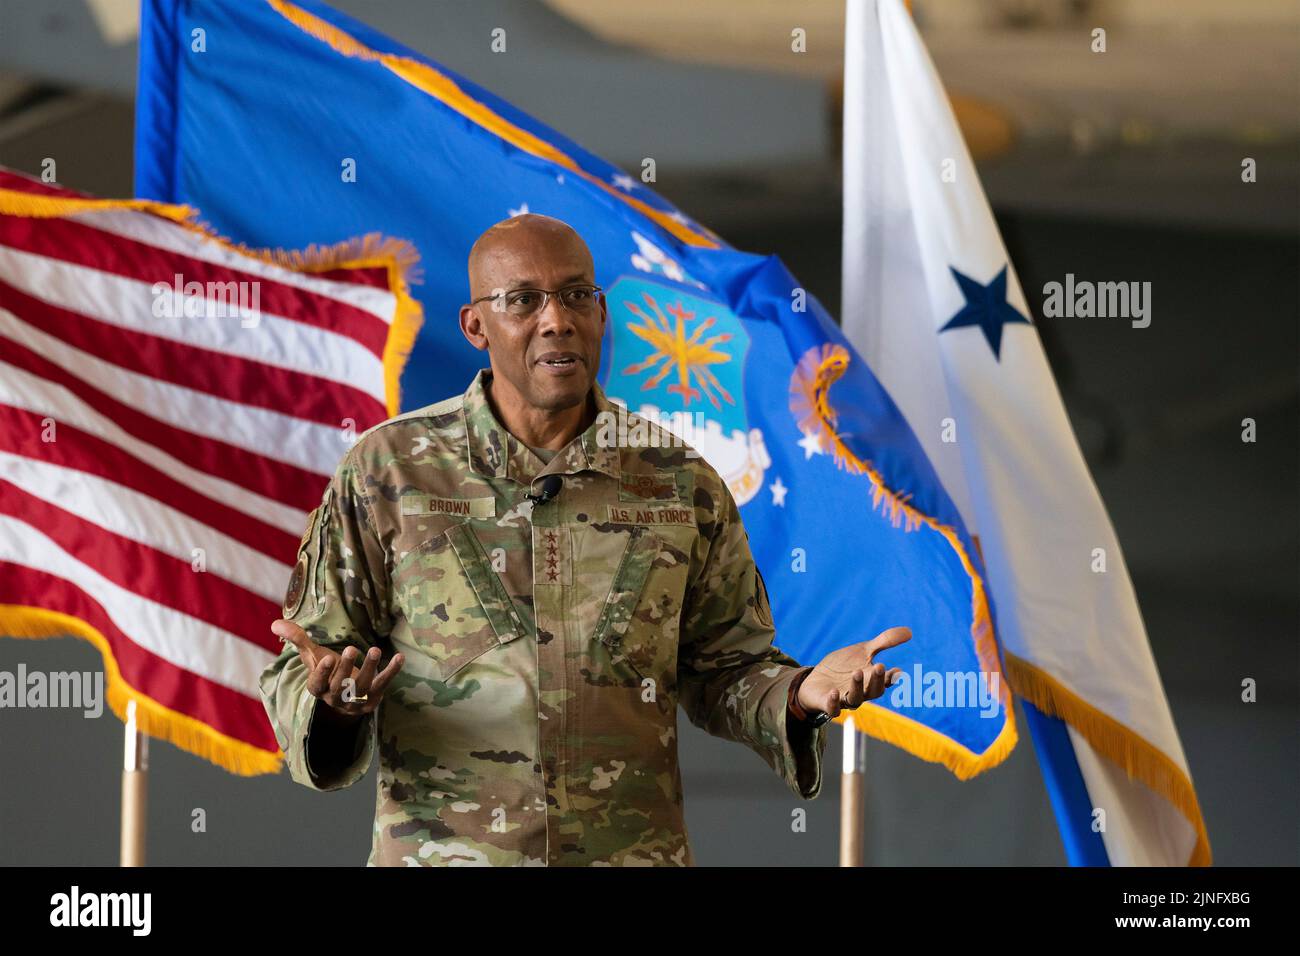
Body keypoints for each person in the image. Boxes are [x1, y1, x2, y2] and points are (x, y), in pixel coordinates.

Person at [259, 213, 910, 866]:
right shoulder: (389, 470)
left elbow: (726, 670)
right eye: (523, 300)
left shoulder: (679, 483)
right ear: (475, 326)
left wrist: (797, 694)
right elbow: (305, 665)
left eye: (577, 295)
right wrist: (335, 706)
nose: (556, 320)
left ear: (601, 315)